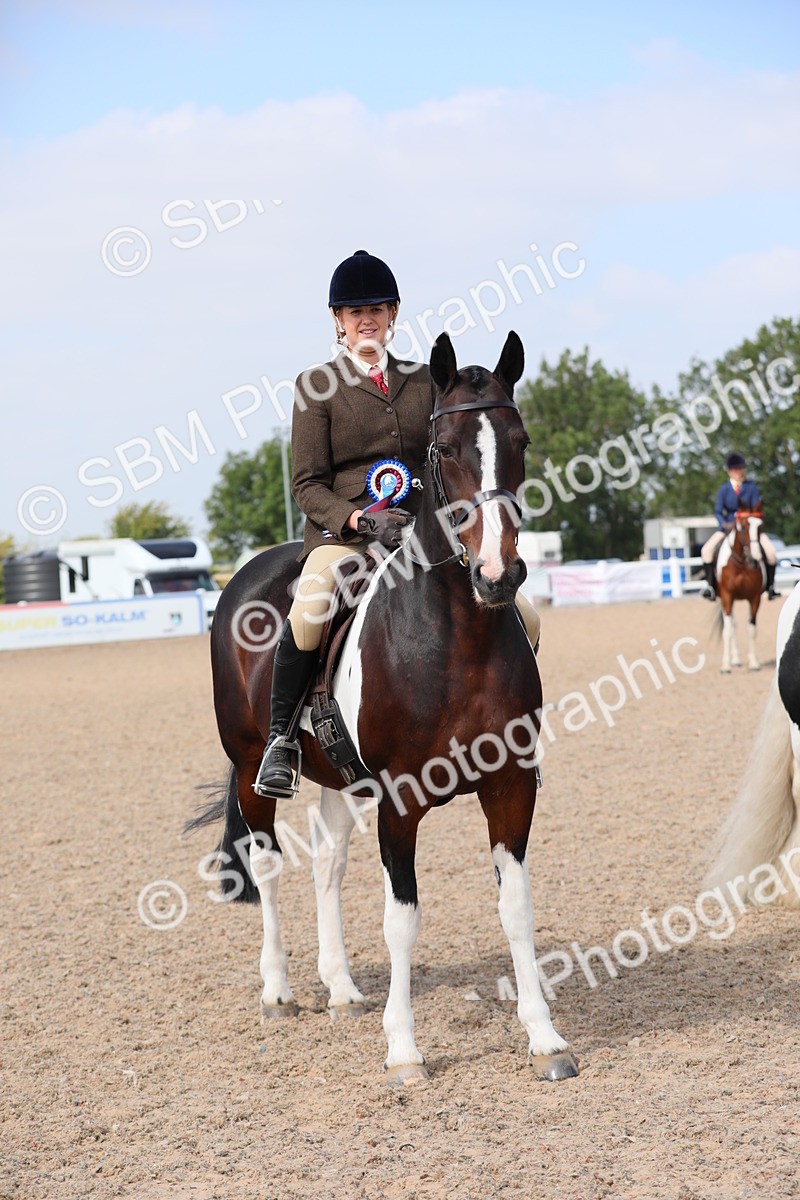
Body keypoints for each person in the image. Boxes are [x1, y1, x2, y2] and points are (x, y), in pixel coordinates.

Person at [256, 250, 543, 793]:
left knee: (525, 616)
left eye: (376, 310)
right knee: (310, 609)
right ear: (338, 321)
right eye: (355, 312)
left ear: (392, 314)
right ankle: (281, 740)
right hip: (345, 538)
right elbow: (307, 485)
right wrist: (360, 521)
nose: (366, 320)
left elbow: (452, 451)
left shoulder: (425, 381)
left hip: (422, 534)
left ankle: (513, 737)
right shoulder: (315, 386)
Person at [700, 452, 779, 601]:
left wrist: (749, 520)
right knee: (706, 550)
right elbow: (718, 511)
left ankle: (770, 587)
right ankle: (710, 587)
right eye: (734, 469)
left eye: (740, 468)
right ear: (729, 471)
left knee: (771, 552)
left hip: (749, 527)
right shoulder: (724, 489)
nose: (738, 472)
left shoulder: (751, 487)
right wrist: (724, 523)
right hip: (728, 527)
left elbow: (756, 508)